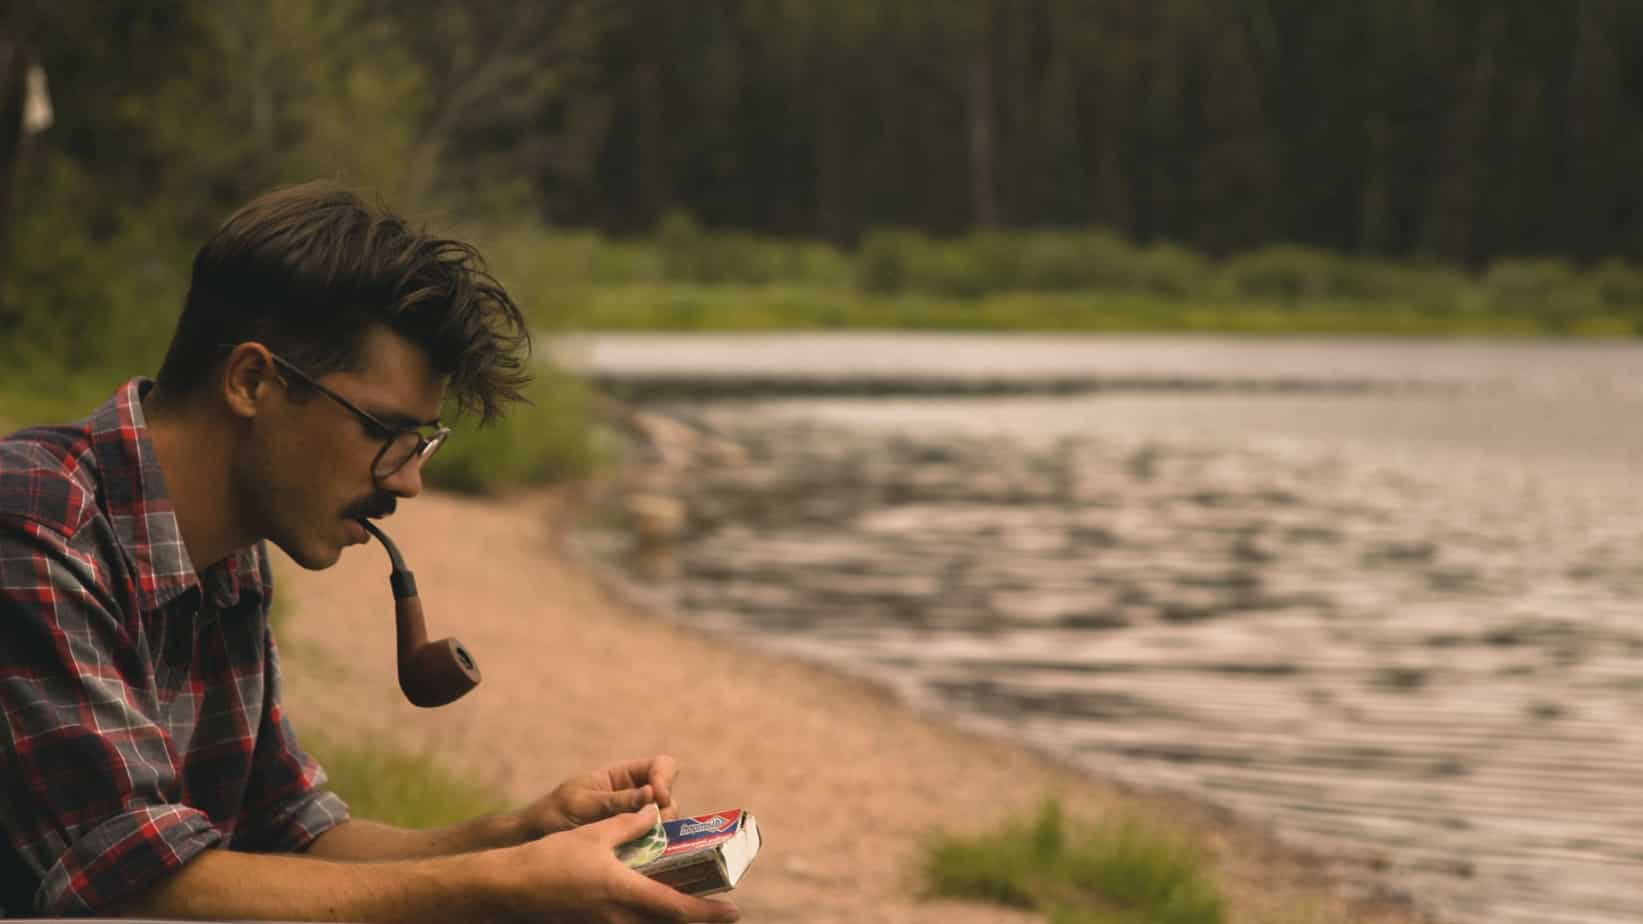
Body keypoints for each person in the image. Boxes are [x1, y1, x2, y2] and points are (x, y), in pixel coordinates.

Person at [0, 182, 740, 923]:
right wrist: (507, 885)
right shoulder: (34, 528)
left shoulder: (228, 559)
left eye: (421, 442)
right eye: (382, 431)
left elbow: (294, 838)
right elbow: (138, 887)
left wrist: (522, 835)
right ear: (252, 381)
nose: (410, 481)